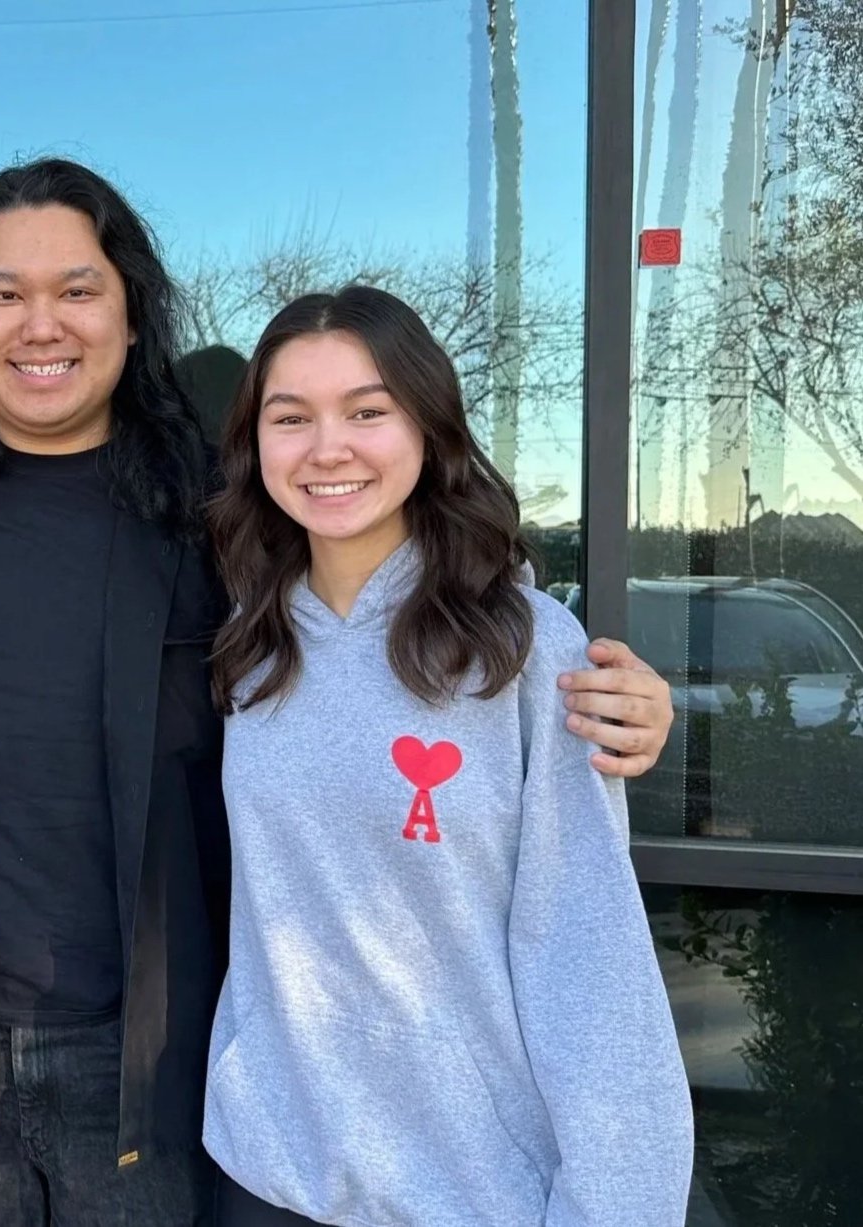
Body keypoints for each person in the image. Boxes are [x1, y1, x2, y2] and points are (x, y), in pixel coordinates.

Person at [0, 158, 678, 1227]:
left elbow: (388, 574)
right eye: (2, 293)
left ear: (132, 313)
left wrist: (580, 681)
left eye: (78, 289)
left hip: (161, 1069)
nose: (40, 323)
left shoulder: (223, 511)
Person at [203, 286, 694, 1227]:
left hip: (468, 1191)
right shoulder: (247, 643)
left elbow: (587, 955)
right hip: (270, 1172)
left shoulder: (523, 649)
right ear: (254, 443)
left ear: (428, 427)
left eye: (367, 411)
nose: (328, 448)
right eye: (290, 417)